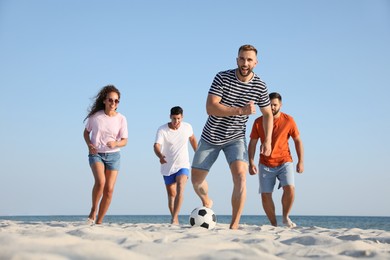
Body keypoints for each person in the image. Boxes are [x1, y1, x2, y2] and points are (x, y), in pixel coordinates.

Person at [191, 44, 274, 229]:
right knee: (196, 180)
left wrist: (267, 140)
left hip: (235, 137)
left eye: (249, 60)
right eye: (242, 59)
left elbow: (268, 114)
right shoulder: (222, 77)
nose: (245, 63)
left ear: (256, 62)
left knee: (241, 176)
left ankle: (234, 226)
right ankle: (206, 200)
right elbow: (210, 107)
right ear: (237, 60)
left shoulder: (260, 86)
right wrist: (240, 110)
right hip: (211, 136)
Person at [248, 92, 304, 228]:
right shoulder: (258, 122)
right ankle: (274, 225)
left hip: (285, 161)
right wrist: (251, 162)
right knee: (265, 195)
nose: (272, 107)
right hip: (265, 164)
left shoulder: (289, 120)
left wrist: (300, 161)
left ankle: (285, 217)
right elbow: (253, 143)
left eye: (275, 105)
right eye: (270, 105)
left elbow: (297, 141)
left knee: (290, 188)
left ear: (280, 105)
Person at [83, 85, 128, 224]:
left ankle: (99, 222)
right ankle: (93, 210)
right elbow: (86, 132)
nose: (113, 103)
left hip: (113, 156)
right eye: (110, 100)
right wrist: (89, 144)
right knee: (101, 182)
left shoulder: (121, 119)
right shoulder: (95, 117)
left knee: (109, 190)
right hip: (96, 153)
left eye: (116, 101)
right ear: (104, 100)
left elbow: (125, 141)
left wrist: (116, 144)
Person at [154, 106, 198, 225]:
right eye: (174, 119)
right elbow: (156, 146)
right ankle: (175, 218)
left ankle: (174, 218)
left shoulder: (187, 127)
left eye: (178, 119)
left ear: (182, 117)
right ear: (170, 117)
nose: (176, 122)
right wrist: (160, 156)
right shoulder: (162, 130)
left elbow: (192, 139)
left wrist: (198, 154)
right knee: (171, 194)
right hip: (167, 166)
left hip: (183, 164)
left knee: (180, 187)